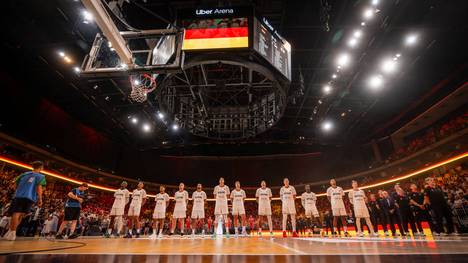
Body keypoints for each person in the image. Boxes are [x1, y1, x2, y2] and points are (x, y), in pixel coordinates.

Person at [3, 161, 46, 241]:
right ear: (41, 167)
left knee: (17, 214)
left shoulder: (24, 174)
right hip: (30, 198)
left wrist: (21, 190)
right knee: (19, 215)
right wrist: (40, 199)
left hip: (19, 196)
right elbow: (39, 188)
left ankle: (11, 231)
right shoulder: (41, 176)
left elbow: (14, 185)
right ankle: (12, 233)